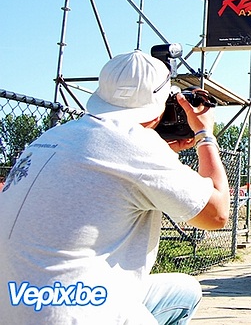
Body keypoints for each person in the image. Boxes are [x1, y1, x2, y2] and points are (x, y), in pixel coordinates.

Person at [0, 50, 230, 324]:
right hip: (74, 313)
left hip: (14, 302)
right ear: (160, 104)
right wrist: (205, 135)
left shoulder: (55, 135)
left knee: (183, 291)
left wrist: (164, 152)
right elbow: (216, 215)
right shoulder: (137, 145)